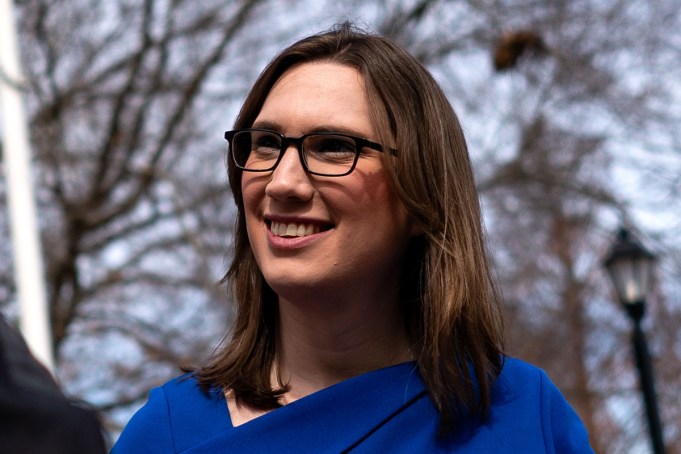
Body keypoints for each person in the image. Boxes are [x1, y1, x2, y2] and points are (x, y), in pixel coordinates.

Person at [113, 23, 593, 453]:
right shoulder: (167, 434)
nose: (283, 182)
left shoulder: (524, 414)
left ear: (423, 196)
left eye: (334, 147)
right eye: (266, 144)